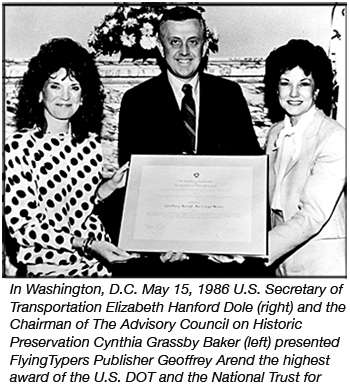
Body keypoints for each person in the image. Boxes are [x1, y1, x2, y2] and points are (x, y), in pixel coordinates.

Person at [101, 6, 262, 257]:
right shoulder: (137, 101)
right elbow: (136, 184)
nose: (184, 52)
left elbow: (250, 171)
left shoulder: (230, 95)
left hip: (221, 242)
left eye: (193, 41)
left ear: (205, 46)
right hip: (162, 245)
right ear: (159, 45)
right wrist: (161, 241)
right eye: (175, 42)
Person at [4, 37, 138, 278]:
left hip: (99, 265)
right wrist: (86, 244)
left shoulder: (89, 143)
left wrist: (108, 187)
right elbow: (23, 228)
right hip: (50, 269)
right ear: (39, 92)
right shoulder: (19, 146)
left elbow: (78, 208)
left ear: (83, 96)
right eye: (55, 86)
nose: (65, 97)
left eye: (74, 87)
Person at [263, 39, 346, 276]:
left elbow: (312, 215)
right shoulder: (275, 133)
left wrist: (256, 248)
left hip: (322, 263)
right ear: (275, 88)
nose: (294, 93)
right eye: (285, 83)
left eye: (304, 83)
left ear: (317, 89)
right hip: (281, 262)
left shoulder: (335, 138)